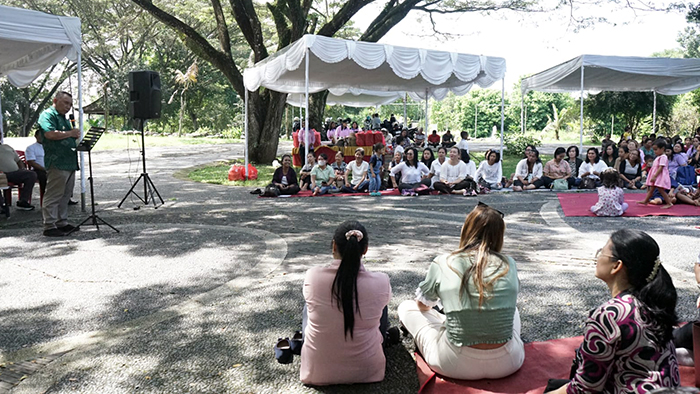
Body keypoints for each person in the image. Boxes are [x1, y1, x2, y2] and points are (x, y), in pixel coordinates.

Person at [398, 202, 524, 380]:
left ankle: (452, 320)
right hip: (508, 362)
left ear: (467, 229)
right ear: (499, 235)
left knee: (406, 307)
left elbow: (423, 305)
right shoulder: (509, 263)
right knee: (514, 311)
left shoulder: (443, 262)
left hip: (454, 362)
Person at [546, 229, 679, 394]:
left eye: (602, 252)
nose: (597, 257)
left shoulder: (609, 314)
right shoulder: (652, 301)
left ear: (617, 266)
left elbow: (585, 389)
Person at [300, 221, 391, 385]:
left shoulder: (313, 277)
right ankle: (383, 339)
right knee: (380, 306)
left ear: (334, 246)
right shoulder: (381, 281)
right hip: (369, 371)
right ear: (365, 249)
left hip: (317, 372)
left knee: (310, 305)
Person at [37, 91, 82, 236]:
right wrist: (71, 133)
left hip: (69, 161)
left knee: (65, 195)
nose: (68, 107)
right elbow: (49, 134)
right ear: (55, 101)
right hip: (57, 162)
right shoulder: (47, 115)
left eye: (70, 104)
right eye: (65, 103)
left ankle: (61, 222)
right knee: (54, 194)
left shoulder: (65, 118)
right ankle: (49, 225)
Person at [0, 141, 37, 211]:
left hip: (15, 173)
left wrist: (23, 169)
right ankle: (2, 205)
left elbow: (19, 161)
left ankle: (23, 201)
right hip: (2, 175)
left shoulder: (7, 147)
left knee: (31, 174)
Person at [638, 139, 673, 209]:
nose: (654, 151)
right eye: (654, 150)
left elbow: (661, 168)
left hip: (659, 175)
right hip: (656, 174)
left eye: (656, 149)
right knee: (651, 189)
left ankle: (669, 203)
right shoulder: (659, 156)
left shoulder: (663, 157)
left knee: (660, 190)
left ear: (662, 149)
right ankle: (646, 200)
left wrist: (655, 176)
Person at [25, 129, 47, 200]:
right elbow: (31, 162)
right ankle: (45, 198)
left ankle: (66, 198)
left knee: (64, 174)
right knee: (44, 176)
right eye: (40, 135)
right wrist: (44, 169)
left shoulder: (49, 147)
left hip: (51, 168)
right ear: (36, 136)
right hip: (38, 170)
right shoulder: (31, 148)